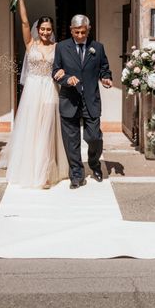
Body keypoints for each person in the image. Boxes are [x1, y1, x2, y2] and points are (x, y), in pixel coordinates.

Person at [0, 0, 68, 188]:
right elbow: (25, 22)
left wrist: (61, 72)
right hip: (33, 90)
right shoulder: (30, 44)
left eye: (48, 29)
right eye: (42, 29)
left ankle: (45, 172)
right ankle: (30, 166)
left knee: (48, 128)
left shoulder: (58, 47)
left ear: (52, 31)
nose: (45, 32)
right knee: (32, 129)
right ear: (38, 29)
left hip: (50, 89)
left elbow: (62, 67)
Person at [52, 14, 112, 189]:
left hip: (91, 100)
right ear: (71, 30)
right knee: (71, 141)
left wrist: (106, 78)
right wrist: (66, 79)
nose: (80, 36)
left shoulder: (97, 48)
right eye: (76, 32)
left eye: (83, 32)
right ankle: (76, 175)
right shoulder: (61, 47)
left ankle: (94, 165)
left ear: (89, 29)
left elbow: (104, 69)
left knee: (93, 137)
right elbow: (56, 71)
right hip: (69, 100)